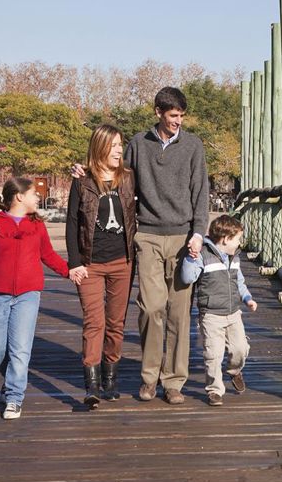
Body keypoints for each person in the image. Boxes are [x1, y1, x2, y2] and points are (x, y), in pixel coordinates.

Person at [75, 87, 209, 404]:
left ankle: (173, 382)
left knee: (179, 313)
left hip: (183, 238)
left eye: (181, 116)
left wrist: (199, 233)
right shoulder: (138, 144)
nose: (178, 121)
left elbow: (201, 192)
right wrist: (84, 173)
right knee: (150, 309)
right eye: (173, 115)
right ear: (159, 113)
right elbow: (114, 173)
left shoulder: (193, 146)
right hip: (147, 235)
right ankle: (149, 378)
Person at [0, 177, 74, 419]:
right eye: (33, 194)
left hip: (28, 295)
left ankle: (14, 398)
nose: (37, 197)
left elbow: (48, 254)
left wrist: (68, 271)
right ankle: (11, 380)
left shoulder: (37, 225)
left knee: (20, 349)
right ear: (19, 197)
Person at [66, 124, 136, 408]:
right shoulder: (82, 181)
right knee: (94, 323)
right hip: (90, 263)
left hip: (123, 262)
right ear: (101, 147)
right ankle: (92, 385)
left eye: (121, 144)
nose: (120, 150)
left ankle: (110, 379)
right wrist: (73, 263)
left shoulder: (129, 178)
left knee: (116, 324)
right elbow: (72, 222)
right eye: (115, 145)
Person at [181, 215, 257, 406]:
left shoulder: (235, 257)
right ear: (225, 239)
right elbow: (188, 278)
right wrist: (190, 259)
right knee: (213, 354)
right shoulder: (203, 256)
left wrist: (247, 298)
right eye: (238, 238)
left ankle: (234, 370)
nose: (240, 242)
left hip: (233, 313)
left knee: (240, 348)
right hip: (211, 315)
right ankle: (215, 390)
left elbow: (239, 281)